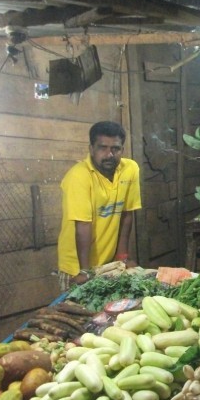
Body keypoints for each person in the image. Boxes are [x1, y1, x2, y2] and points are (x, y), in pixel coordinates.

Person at [57, 121, 142, 290]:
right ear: (91, 149)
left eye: (115, 149)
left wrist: (122, 257)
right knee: (81, 313)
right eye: (102, 148)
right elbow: (83, 226)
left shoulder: (130, 169)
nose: (109, 154)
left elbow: (126, 214)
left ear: (122, 150)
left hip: (109, 263)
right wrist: (85, 271)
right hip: (77, 266)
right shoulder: (78, 176)